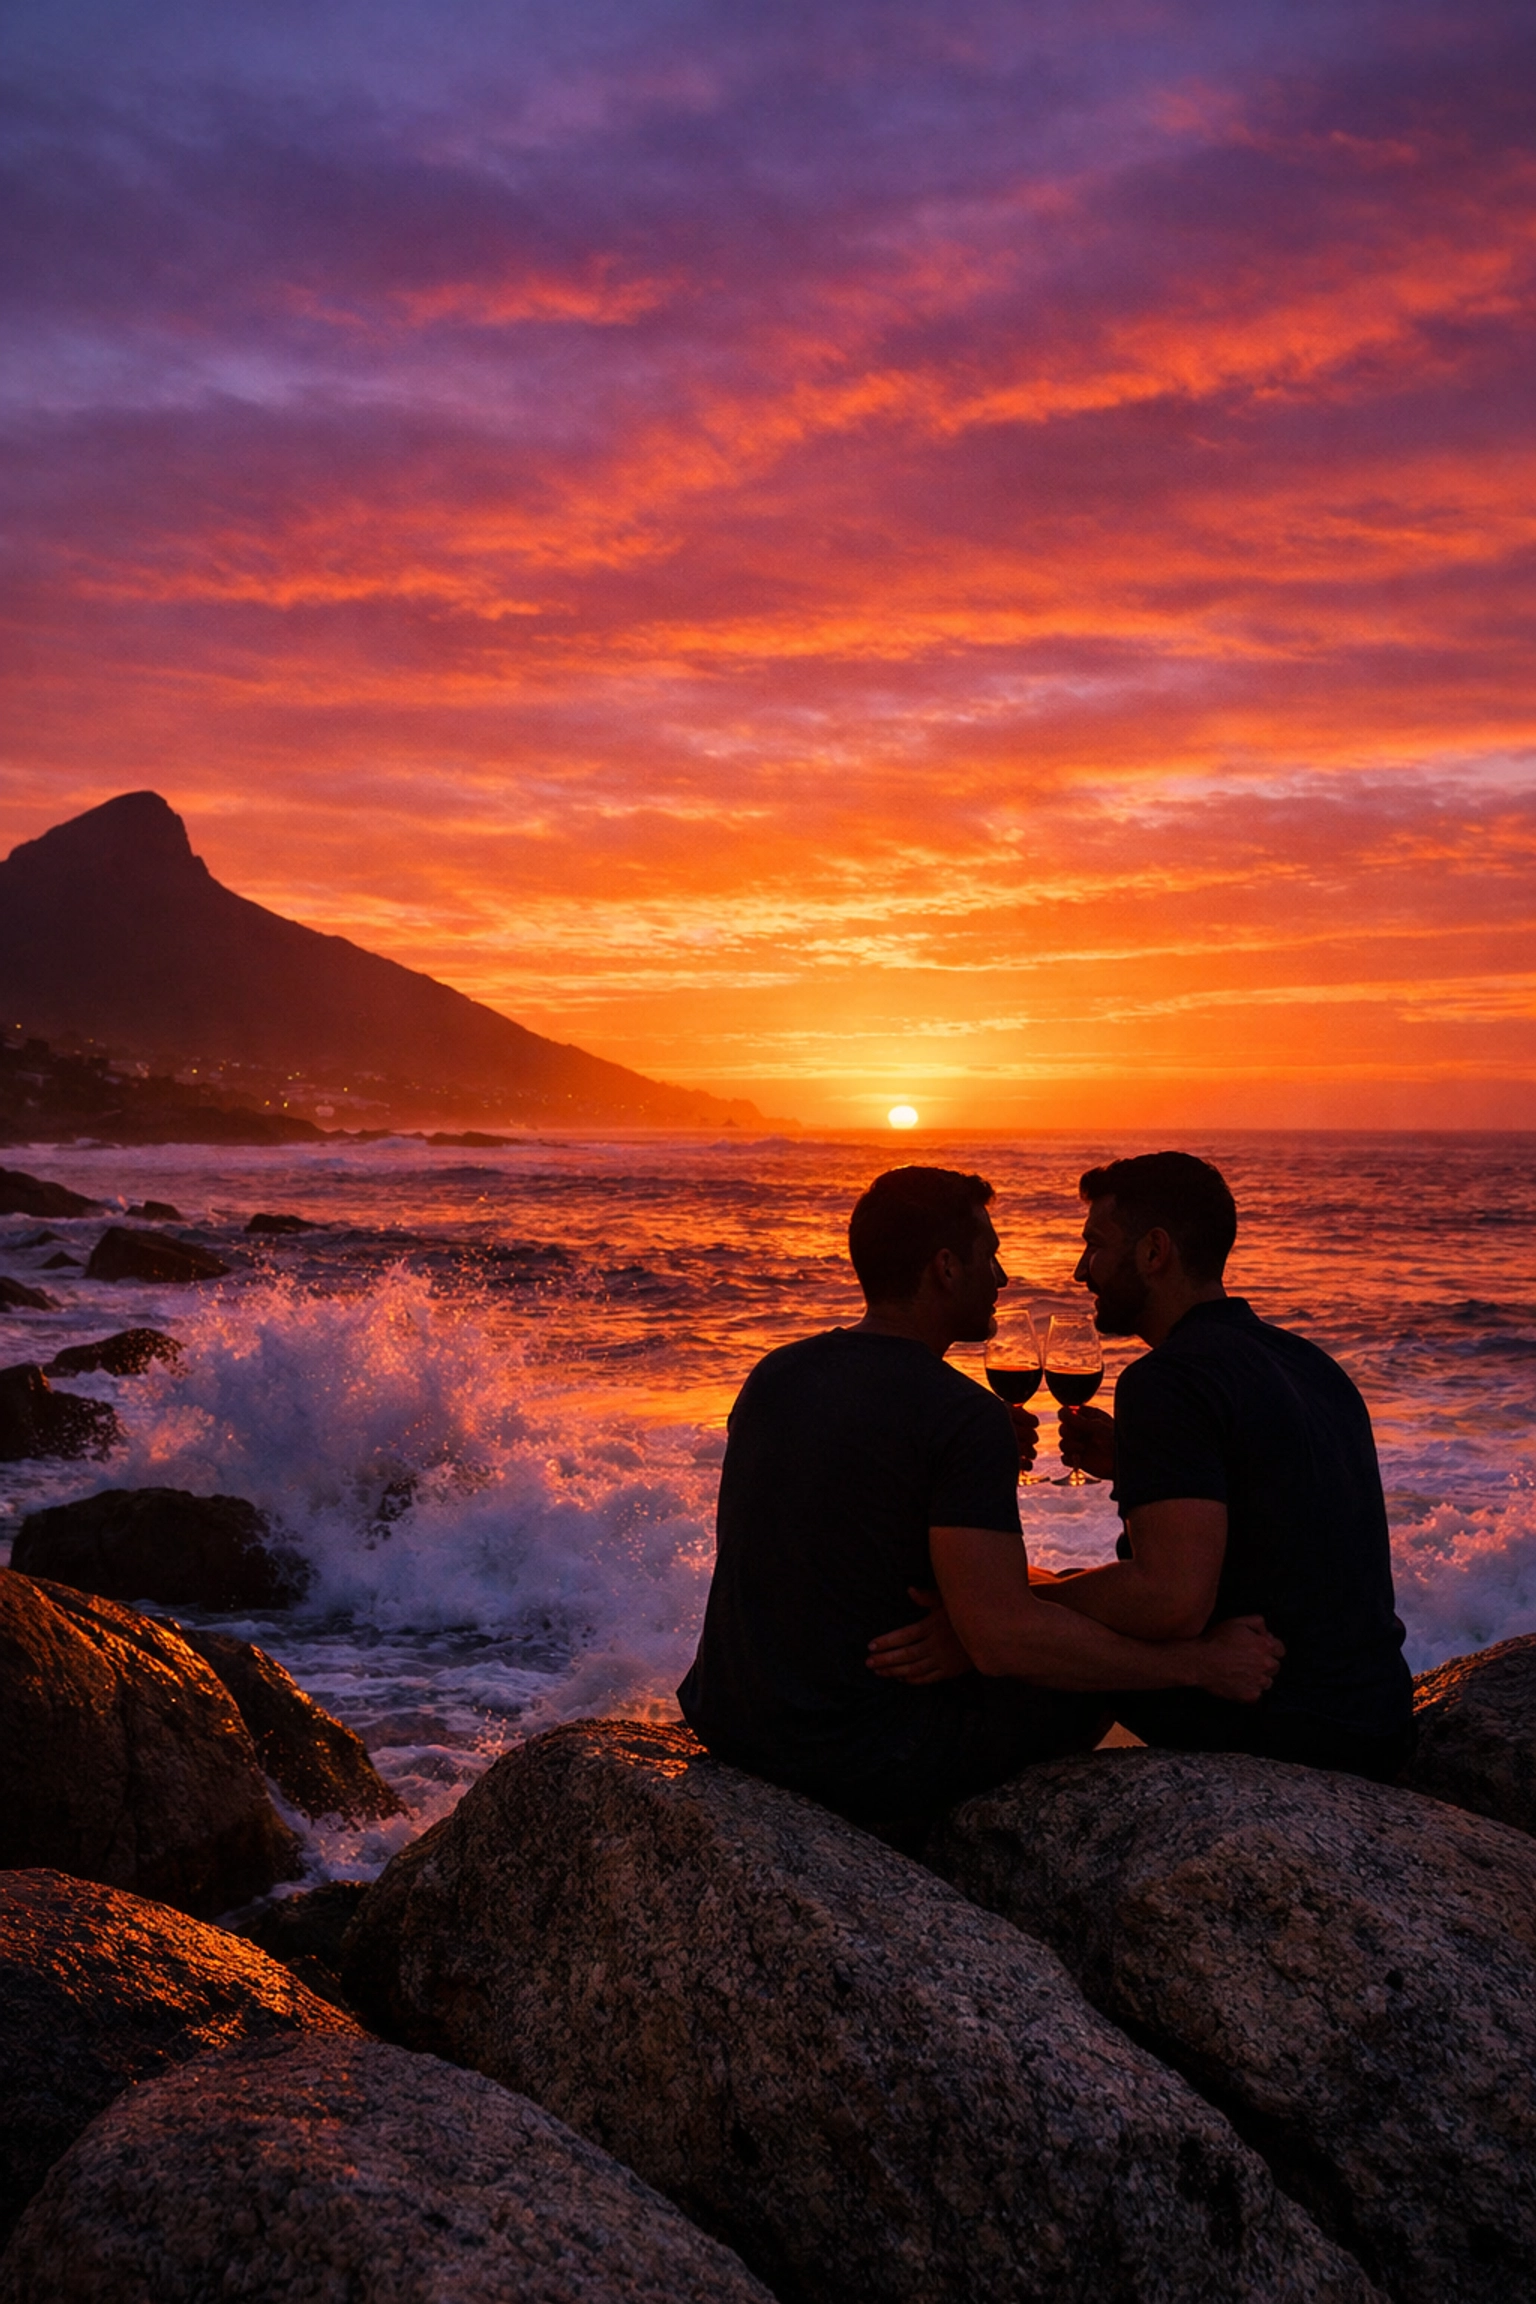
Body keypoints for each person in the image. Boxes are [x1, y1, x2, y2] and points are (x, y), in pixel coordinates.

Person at [677, 1165, 1283, 1833]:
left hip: (731, 1719)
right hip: (857, 1753)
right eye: (988, 1255)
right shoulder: (961, 1415)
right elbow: (1003, 1640)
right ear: (944, 1267)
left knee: (1039, 1597)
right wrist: (1194, 1664)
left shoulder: (776, 1374)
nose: (999, 1278)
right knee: (1093, 1666)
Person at [1039, 1150, 1414, 1781]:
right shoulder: (1309, 1363)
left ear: (1154, 1252)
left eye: (1095, 1245)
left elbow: (1169, 1603)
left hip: (1281, 1720)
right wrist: (1134, 1464)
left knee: (1033, 1620)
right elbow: (1286, 1511)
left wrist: (1026, 1598)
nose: (1082, 1270)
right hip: (1376, 1717)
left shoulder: (1167, 1379)